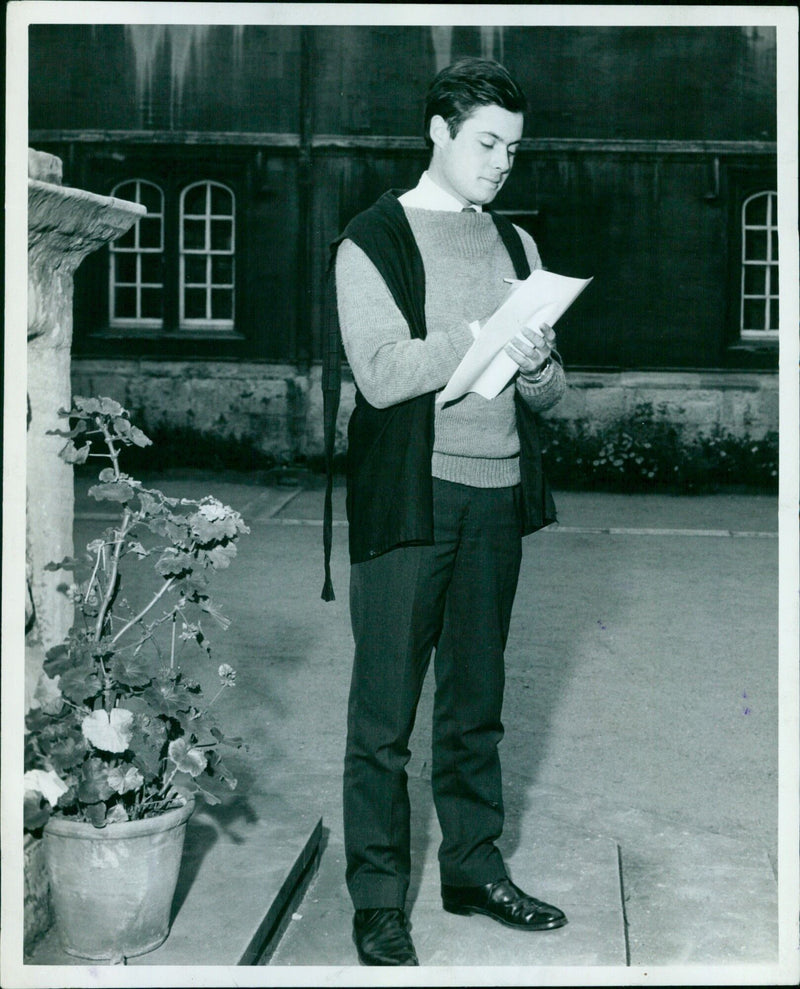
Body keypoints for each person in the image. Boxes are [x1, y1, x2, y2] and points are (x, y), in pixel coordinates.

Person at [321, 57, 568, 966]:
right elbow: (382, 374)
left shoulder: (518, 246)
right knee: (384, 717)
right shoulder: (371, 239)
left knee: (477, 705)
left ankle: (471, 869)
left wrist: (536, 361)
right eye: (486, 142)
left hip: (497, 500)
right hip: (411, 501)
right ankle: (379, 900)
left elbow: (553, 396)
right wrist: (479, 334)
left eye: (512, 147)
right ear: (439, 131)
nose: (501, 163)